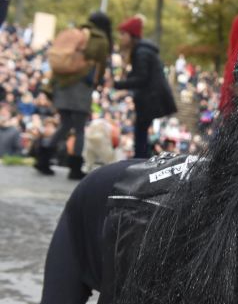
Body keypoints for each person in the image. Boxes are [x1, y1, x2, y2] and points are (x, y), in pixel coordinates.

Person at [34, 12, 111, 179]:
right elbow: (101, 66)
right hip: (81, 88)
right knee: (80, 130)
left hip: (62, 86)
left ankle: (43, 158)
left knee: (65, 124)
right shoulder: (100, 40)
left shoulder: (77, 33)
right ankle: (75, 168)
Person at [114, 16, 177, 159]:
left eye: (123, 34)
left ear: (131, 35)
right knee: (141, 132)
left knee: (140, 133)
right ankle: (141, 160)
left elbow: (141, 78)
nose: (121, 37)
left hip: (150, 99)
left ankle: (140, 162)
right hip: (150, 98)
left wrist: (118, 84)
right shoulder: (142, 51)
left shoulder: (141, 52)